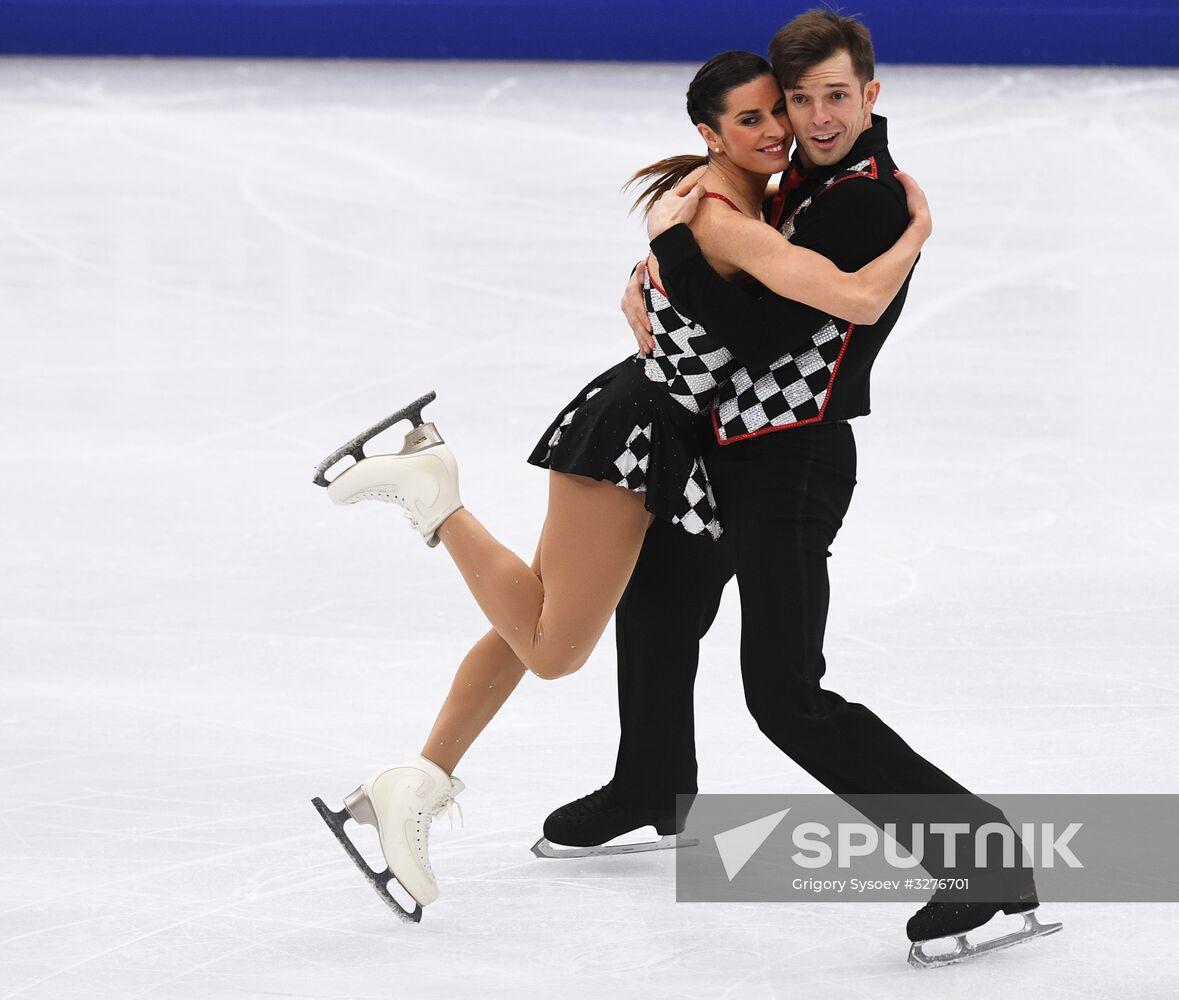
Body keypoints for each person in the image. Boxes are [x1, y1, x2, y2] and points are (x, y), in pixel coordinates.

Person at [311, 49, 934, 920]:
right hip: (640, 431)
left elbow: (734, 303)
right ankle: (435, 498)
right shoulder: (711, 211)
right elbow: (801, 318)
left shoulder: (781, 193)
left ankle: (450, 779)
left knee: (586, 613)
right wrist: (911, 235)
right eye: (755, 116)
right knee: (554, 643)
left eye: (778, 112)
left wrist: (657, 275)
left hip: (689, 437)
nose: (780, 128)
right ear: (708, 134)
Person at [542, 10, 1057, 963]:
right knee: (657, 611)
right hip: (729, 447)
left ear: (872, 92)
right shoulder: (805, 181)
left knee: (785, 693)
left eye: (834, 97)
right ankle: (651, 780)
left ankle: (983, 857)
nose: (814, 120)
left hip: (795, 460)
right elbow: (732, 243)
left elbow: (755, 332)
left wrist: (670, 252)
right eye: (798, 101)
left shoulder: (864, 200)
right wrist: (654, 258)